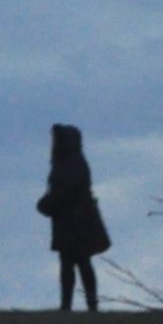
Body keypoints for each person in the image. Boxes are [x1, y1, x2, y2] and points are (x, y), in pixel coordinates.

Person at [39, 123, 111, 311]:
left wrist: (48, 203)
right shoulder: (70, 161)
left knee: (77, 262)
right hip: (71, 219)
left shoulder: (71, 162)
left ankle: (81, 304)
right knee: (73, 263)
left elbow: (66, 191)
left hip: (75, 219)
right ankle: (78, 304)